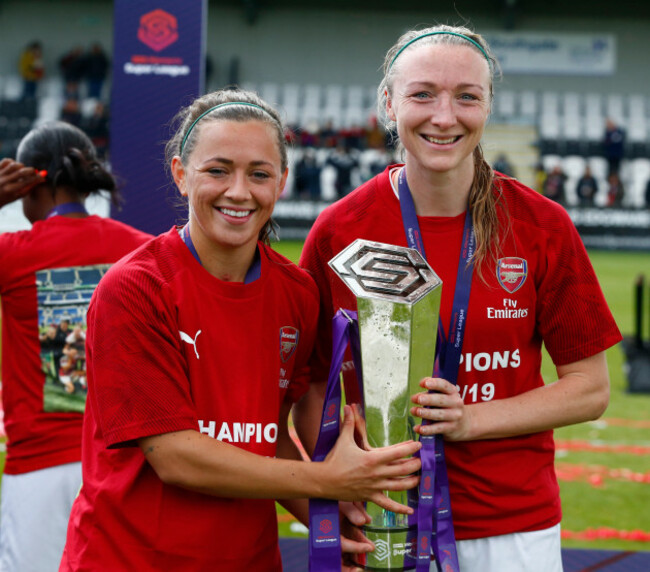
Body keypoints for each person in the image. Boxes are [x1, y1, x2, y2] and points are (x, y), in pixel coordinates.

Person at [297, 24, 621, 572]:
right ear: (389, 104)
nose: (444, 116)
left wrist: (471, 418)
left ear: (488, 106)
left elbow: (589, 389)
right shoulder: (340, 229)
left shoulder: (542, 225)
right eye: (422, 94)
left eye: (466, 96)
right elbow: (309, 385)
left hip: (513, 527)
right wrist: (335, 480)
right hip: (384, 521)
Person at [60, 88, 422, 571]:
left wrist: (336, 524)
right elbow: (174, 456)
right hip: (130, 558)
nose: (238, 191)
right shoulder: (135, 288)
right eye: (217, 170)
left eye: (259, 174)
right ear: (180, 174)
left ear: (282, 182)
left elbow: (267, 435)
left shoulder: (297, 291)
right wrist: (326, 483)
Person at [0, 123, 152, 572]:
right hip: (125, 466)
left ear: (29, 181)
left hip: (39, 468)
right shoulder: (141, 250)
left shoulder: (14, 252)